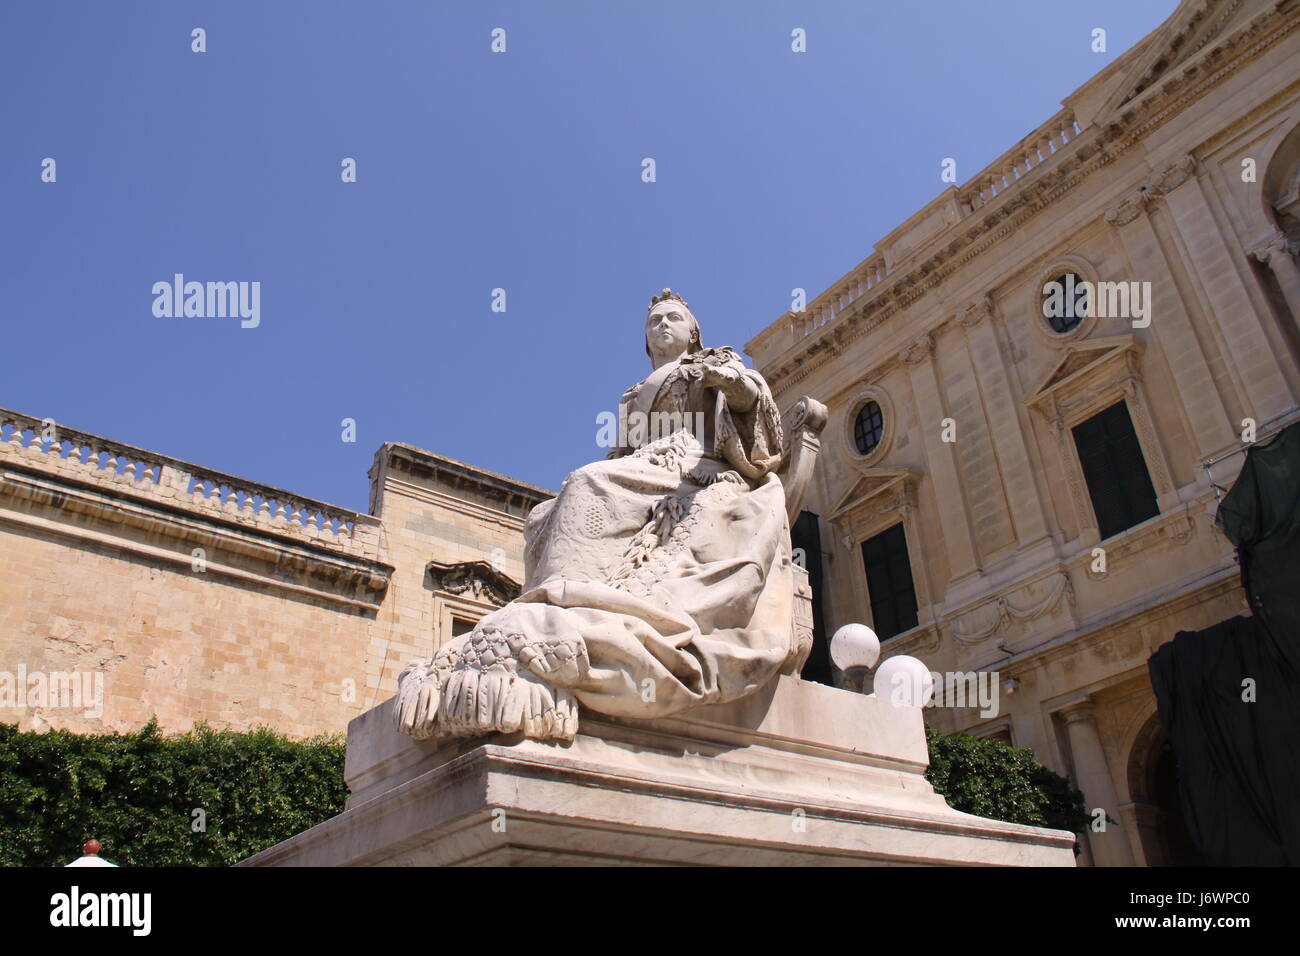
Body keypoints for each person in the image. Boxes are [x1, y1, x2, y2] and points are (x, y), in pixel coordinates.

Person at [395, 290, 795, 742]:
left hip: (698, 468)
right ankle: (567, 597)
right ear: (646, 340)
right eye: (654, 321)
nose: (663, 324)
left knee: (588, 482)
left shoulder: (712, 363)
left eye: (674, 318)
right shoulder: (632, 395)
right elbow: (624, 451)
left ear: (692, 330)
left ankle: (574, 603)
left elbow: (752, 413)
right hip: (647, 468)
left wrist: (733, 385)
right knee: (546, 511)